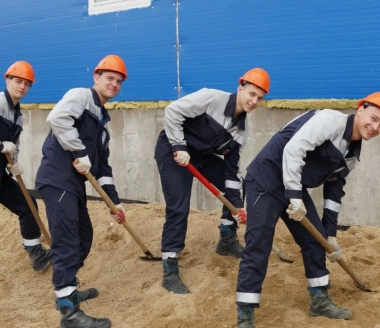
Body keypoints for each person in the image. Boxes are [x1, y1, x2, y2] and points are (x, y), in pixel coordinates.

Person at [235, 92, 380, 327]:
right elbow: (294, 150)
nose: (375, 127)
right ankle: (245, 314)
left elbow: (335, 189)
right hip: (266, 180)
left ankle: (320, 300)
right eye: (373, 118)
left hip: (294, 186)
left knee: (316, 240)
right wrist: (294, 195)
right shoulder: (330, 121)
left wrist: (330, 234)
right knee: (259, 244)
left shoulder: (353, 152)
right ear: (360, 109)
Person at [154, 68, 271, 294]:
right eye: (251, 94)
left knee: (238, 185)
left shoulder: (241, 132)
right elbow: (172, 111)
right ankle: (170, 268)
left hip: (202, 158)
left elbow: (231, 170)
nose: (254, 101)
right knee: (178, 208)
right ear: (240, 89)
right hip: (172, 150)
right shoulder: (211, 98)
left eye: (260, 98)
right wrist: (179, 146)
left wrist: (236, 206)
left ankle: (227, 238)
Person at [35, 55, 129, 328]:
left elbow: (103, 171)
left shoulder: (103, 128)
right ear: (96, 77)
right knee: (65, 242)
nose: (114, 84)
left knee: (83, 238)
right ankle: (69, 313)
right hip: (57, 179)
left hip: (73, 186)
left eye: (119, 81)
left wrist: (116, 203)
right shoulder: (81, 96)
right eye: (109, 78)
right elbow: (57, 118)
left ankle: (69, 290)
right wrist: (78, 150)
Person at [0, 61, 52, 272]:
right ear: (7, 80)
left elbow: (14, 147)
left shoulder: (18, 116)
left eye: (27, 84)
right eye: (18, 81)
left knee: (27, 204)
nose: (22, 86)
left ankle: (36, 254)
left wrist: (13, 163)